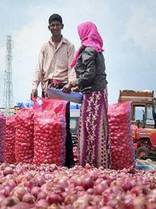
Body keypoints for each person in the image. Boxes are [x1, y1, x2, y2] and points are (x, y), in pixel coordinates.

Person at [63, 21, 111, 168]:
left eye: (80, 32)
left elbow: (89, 74)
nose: (79, 35)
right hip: (99, 92)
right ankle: (100, 162)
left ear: (85, 32)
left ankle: (91, 162)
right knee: (99, 128)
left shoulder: (89, 50)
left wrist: (73, 83)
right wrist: (78, 86)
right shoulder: (97, 49)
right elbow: (94, 75)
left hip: (93, 96)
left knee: (90, 128)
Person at [31, 13, 75, 167]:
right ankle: (48, 161)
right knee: (47, 124)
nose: (55, 27)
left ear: (62, 26)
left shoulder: (69, 46)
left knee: (65, 125)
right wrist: (34, 86)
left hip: (63, 89)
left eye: (58, 24)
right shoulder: (44, 46)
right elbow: (38, 68)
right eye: (53, 25)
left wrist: (71, 84)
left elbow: (72, 68)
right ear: (49, 27)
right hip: (48, 89)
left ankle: (68, 163)